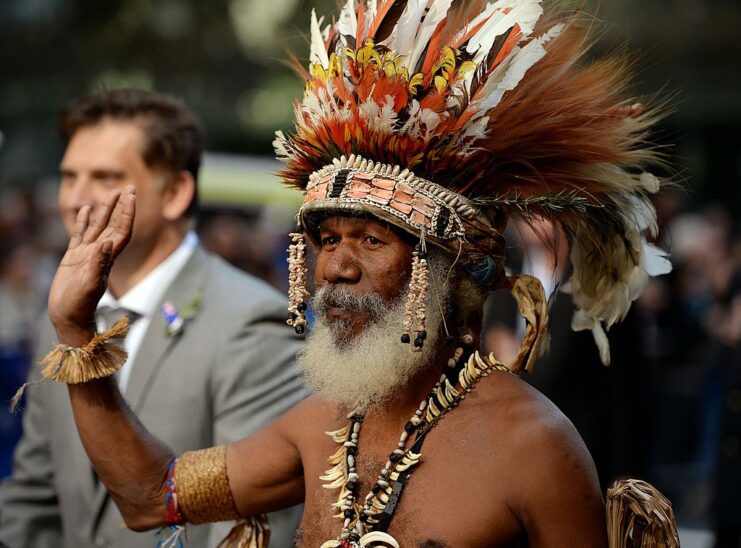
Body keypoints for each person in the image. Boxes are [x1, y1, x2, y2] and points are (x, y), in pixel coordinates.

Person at [17, 2, 680, 547]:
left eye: (370, 240)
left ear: (448, 269)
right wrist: (76, 330)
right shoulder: (320, 424)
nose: (335, 266)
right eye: (326, 240)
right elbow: (150, 494)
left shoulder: (533, 446)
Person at [0, 90, 306, 548]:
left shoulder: (249, 321)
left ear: (175, 193)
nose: (75, 198)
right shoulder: (62, 316)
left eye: (104, 177)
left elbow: (252, 530)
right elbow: (35, 496)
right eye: (68, 176)